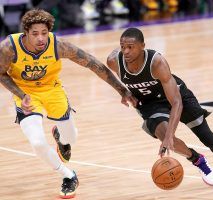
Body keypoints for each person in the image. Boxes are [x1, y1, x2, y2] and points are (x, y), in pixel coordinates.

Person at [0, 9, 136, 199]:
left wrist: (121, 90)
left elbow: (93, 64)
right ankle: (68, 175)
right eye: (35, 34)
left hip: (53, 89)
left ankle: (61, 138)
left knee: (71, 137)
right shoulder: (9, 47)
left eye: (44, 33)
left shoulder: (58, 45)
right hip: (26, 95)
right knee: (37, 143)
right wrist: (20, 94)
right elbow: (1, 73)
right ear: (25, 33)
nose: (41, 38)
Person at [106, 27, 213, 189]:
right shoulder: (114, 61)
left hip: (177, 97)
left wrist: (170, 136)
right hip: (150, 103)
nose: (126, 51)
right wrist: (122, 91)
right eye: (123, 47)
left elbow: (176, 102)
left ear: (143, 46)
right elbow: (105, 74)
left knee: (207, 137)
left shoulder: (157, 63)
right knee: (165, 136)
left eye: (131, 47)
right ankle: (198, 160)